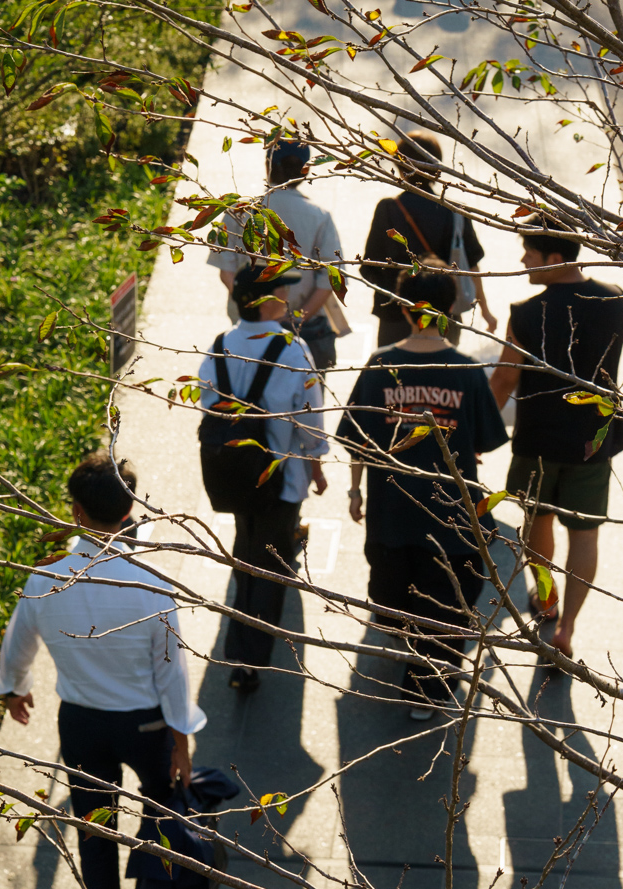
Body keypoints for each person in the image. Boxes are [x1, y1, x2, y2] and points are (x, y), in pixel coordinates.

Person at [0, 450, 206, 889]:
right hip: (149, 727)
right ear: (129, 510)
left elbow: (17, 648)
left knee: (95, 833)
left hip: (84, 725)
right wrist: (182, 741)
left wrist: (13, 688)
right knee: (162, 819)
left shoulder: (45, 582)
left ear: (78, 513)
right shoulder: (151, 586)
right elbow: (171, 673)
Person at [338, 264, 508, 720]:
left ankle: (409, 649)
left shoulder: (381, 365)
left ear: (404, 306)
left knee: (391, 594)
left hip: (391, 511)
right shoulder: (469, 372)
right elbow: (485, 440)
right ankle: (427, 690)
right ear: (451, 308)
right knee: (447, 602)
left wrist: (354, 491)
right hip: (451, 517)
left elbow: (357, 438)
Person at [489, 217, 623, 661]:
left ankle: (546, 602)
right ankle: (567, 627)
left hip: (539, 438)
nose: (522, 262)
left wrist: (478, 431)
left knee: (537, 523)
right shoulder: (617, 301)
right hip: (595, 439)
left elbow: (505, 379)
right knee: (585, 535)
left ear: (554, 259)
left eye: (529, 255)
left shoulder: (527, 313)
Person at [198, 263, 328, 694]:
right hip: (281, 478)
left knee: (246, 546)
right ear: (266, 301)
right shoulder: (293, 352)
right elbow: (310, 423)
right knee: (271, 567)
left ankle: (241, 638)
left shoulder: (216, 350)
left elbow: (209, 409)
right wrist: (317, 466)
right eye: (281, 291)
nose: (288, 297)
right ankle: (250, 661)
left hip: (231, 475)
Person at [207, 136, 344, 372]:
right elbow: (331, 278)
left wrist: (252, 304)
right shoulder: (320, 217)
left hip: (250, 326)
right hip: (305, 329)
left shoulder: (238, 211)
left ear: (267, 165)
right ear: (305, 171)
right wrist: (298, 318)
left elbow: (226, 271)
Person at [361, 131, 496, 348]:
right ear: (437, 167)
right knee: (442, 376)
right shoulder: (455, 211)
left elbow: (369, 266)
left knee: (395, 376)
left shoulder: (388, 209)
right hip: (444, 315)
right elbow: (471, 265)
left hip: (397, 315)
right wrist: (486, 311)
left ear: (400, 165)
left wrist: (395, 291)